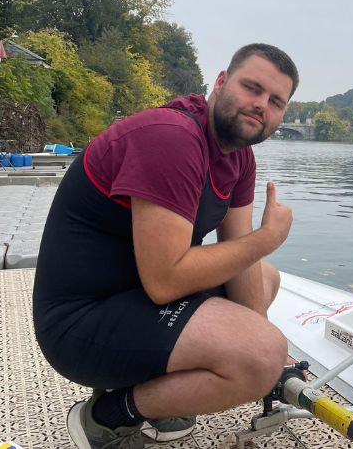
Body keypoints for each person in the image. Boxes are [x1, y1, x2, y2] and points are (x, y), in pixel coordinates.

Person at [33, 43, 299, 449]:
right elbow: (166, 281)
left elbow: (241, 258)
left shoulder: (238, 156)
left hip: (134, 299)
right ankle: (108, 416)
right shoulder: (170, 138)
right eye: (252, 87)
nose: (261, 104)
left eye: (275, 101)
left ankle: (158, 397)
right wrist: (267, 240)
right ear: (222, 82)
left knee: (265, 280)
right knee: (261, 353)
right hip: (78, 323)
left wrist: (271, 369)